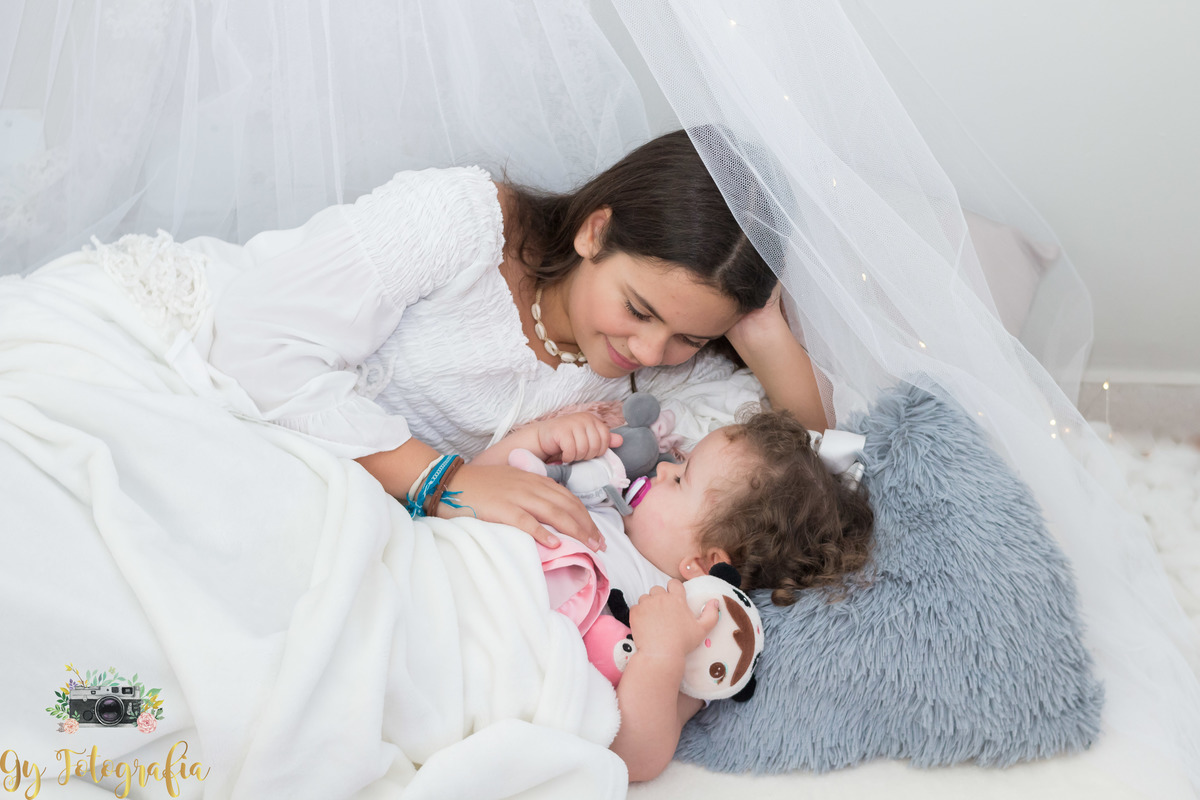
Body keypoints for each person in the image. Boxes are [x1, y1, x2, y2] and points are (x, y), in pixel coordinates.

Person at [209, 128, 827, 554]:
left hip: (352, 498)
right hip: (231, 394)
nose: (646, 351)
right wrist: (441, 481)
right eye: (637, 309)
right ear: (595, 232)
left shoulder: (658, 367)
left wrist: (757, 323)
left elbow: (802, 455)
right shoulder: (462, 225)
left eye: (688, 337)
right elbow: (256, 342)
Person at [475, 407, 875, 782]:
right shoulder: (595, 500)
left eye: (682, 478)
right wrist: (542, 438)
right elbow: (474, 486)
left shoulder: (693, 628)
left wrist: (659, 656)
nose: (663, 468)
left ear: (703, 561)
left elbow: (636, 757)